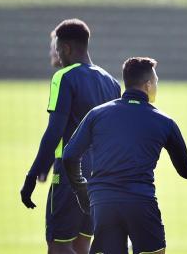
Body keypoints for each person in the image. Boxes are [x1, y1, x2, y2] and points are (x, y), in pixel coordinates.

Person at [61, 57, 187, 254]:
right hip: (141, 203)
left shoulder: (97, 114)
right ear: (148, 85)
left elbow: (69, 156)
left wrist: (82, 191)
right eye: (156, 82)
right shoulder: (164, 121)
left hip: (103, 203)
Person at [20, 18, 121, 254]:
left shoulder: (64, 77)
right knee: (82, 244)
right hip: (101, 175)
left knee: (58, 246)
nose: (56, 54)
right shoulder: (112, 83)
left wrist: (32, 174)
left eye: (57, 49)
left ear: (65, 48)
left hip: (70, 174)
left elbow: (55, 131)